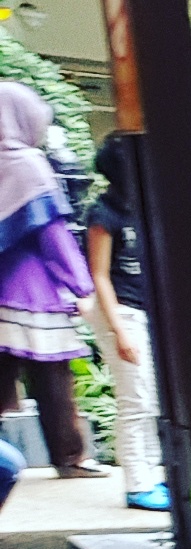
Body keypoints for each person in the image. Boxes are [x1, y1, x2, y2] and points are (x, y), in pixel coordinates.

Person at [0, 83, 101, 480]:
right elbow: (52, 234)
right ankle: (70, 459)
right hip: (32, 290)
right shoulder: (29, 164)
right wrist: (82, 286)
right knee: (54, 379)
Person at [84, 133, 165, 511]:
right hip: (120, 312)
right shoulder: (104, 213)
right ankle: (137, 484)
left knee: (151, 399)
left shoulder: (143, 207)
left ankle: (153, 475)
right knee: (135, 400)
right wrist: (119, 332)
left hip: (145, 311)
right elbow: (99, 275)